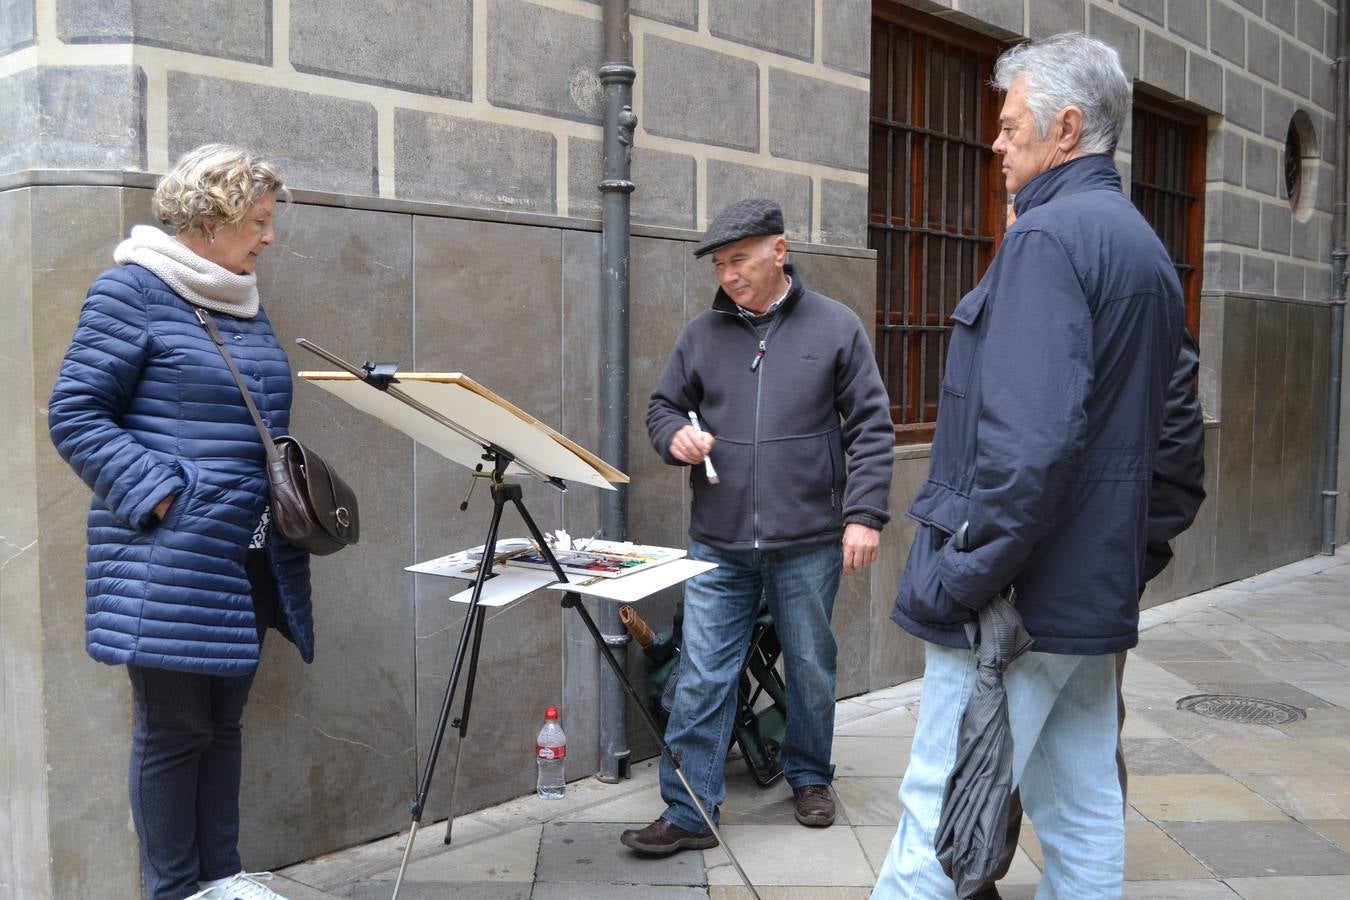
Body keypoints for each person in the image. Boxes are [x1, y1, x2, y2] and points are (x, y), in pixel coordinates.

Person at [872, 32, 1203, 899]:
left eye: (1010, 122)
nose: (994, 141)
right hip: (1083, 594)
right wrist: (1124, 558)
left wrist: (964, 577)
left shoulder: (1049, 239)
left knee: (937, 817)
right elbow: (1170, 445)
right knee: (1082, 805)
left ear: (1064, 127)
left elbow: (1027, 449)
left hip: (1016, 601)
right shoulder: (1143, 247)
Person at [49, 145, 312, 900]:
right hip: (166, 557)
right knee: (172, 733)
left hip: (248, 554)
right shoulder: (130, 291)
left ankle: (220, 882)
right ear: (211, 218)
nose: (268, 238)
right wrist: (165, 495)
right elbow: (75, 413)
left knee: (222, 726)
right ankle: (173, 891)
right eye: (258, 222)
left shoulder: (238, 298)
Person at [622, 198, 895, 855]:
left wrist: (864, 514)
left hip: (809, 539)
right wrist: (675, 438)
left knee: (810, 666)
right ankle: (690, 812)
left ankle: (808, 775)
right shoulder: (701, 336)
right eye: (719, 265)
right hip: (717, 541)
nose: (729, 275)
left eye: (739, 259)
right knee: (702, 673)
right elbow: (663, 407)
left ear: (780, 249)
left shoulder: (836, 326)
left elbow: (870, 425)